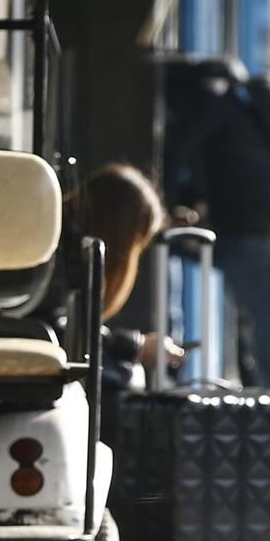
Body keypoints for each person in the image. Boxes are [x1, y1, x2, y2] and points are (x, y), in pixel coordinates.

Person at [169, 66, 270, 399]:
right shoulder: (243, 108)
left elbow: (177, 156)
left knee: (268, 349)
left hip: (260, 240)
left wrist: (164, 199)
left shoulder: (208, 100)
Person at [64, 164, 184, 442]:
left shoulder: (64, 242)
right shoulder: (74, 260)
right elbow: (67, 335)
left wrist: (134, 346)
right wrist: (136, 346)